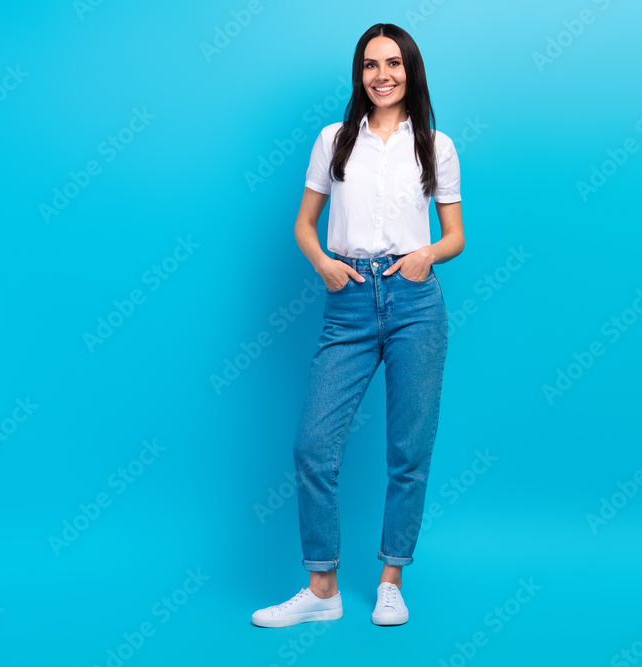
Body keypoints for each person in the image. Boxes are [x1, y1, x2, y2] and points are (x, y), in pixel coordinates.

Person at [251, 22, 463, 628]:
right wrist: (323, 263)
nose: (382, 75)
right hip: (347, 299)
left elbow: (455, 236)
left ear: (410, 71)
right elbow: (303, 224)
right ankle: (322, 589)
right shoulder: (334, 139)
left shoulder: (436, 145)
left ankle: (392, 578)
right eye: (370, 65)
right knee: (312, 447)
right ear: (359, 74)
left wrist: (426, 255)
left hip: (414, 300)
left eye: (393, 64)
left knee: (409, 449)